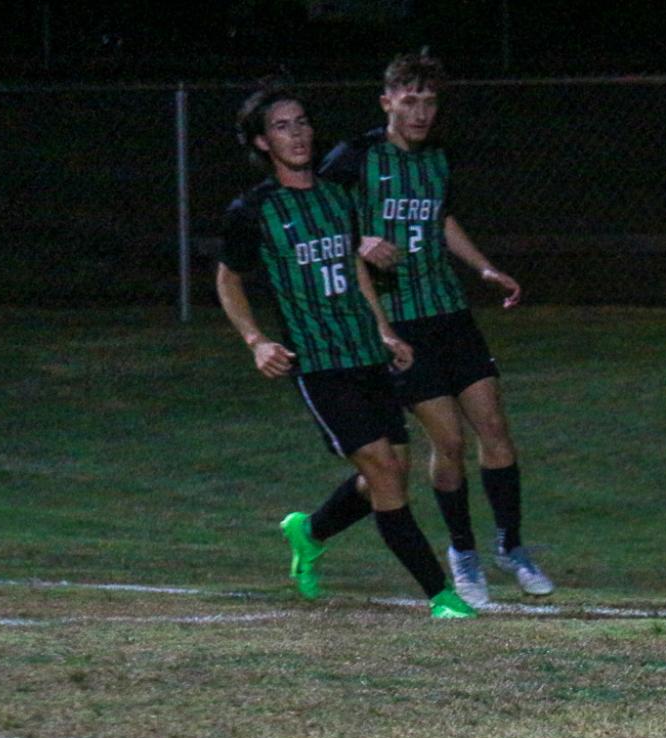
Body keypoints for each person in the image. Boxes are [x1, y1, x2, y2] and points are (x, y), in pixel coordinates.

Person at [215, 81, 476, 619]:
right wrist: (256, 340)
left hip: (366, 353)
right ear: (263, 143)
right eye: (282, 127)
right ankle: (440, 596)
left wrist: (384, 330)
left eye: (302, 122)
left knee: (391, 471)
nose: (297, 134)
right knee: (383, 470)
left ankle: (309, 532)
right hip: (317, 362)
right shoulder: (254, 209)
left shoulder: (338, 198)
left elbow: (355, 269)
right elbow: (227, 279)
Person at [318, 52, 553, 610]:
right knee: (447, 440)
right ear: (387, 102)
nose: (421, 113)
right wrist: (357, 243)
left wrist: (485, 268)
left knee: (494, 427)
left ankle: (511, 547)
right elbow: (319, 216)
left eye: (429, 102)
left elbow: (441, 220)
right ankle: (464, 553)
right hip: (397, 321)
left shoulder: (437, 159)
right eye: (410, 101)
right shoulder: (355, 158)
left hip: (448, 310)